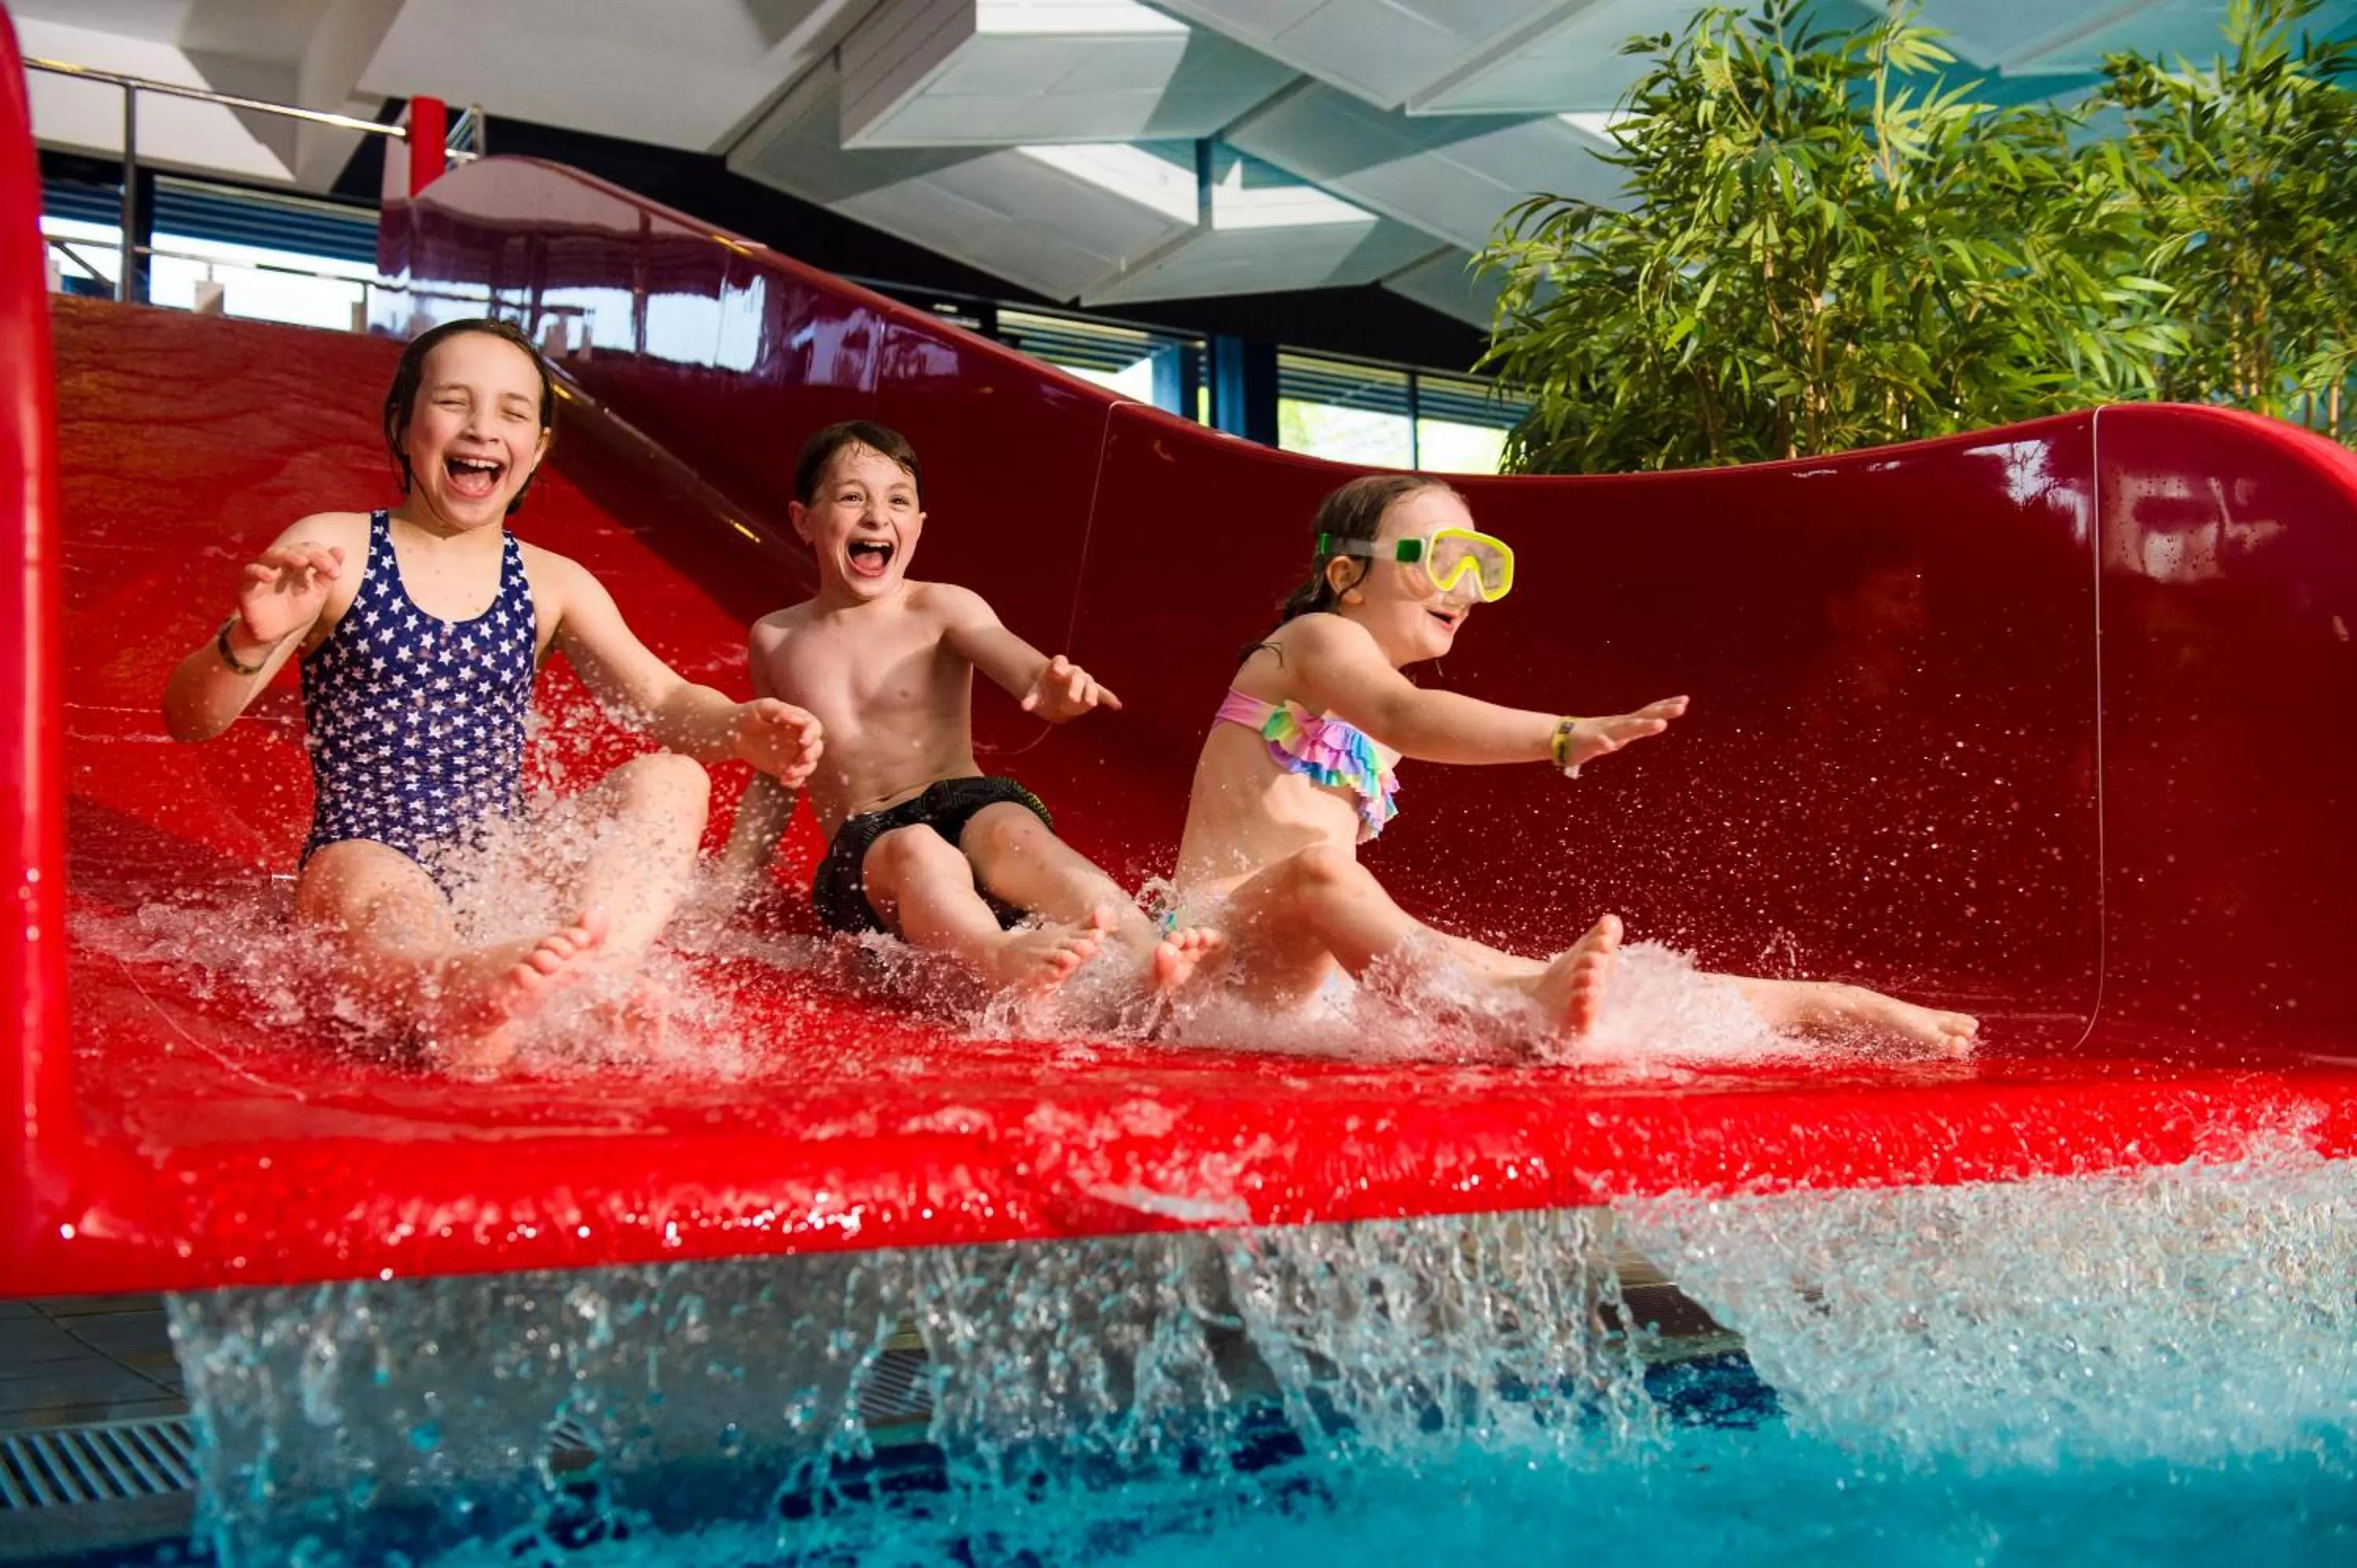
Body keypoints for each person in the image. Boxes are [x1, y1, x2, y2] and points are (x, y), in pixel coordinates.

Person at [161, 317, 823, 1067]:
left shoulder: (551, 582)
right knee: (383, 908)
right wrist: (246, 643)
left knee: (673, 779)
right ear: (403, 426)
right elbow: (191, 720)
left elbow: (664, 704)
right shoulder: (336, 552)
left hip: (497, 862)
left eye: (512, 412)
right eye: (453, 402)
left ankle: (591, 975)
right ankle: (453, 991)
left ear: (537, 448)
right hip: (369, 850)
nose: (483, 428)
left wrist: (738, 727)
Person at [1167, 472, 1981, 1054]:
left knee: (1495, 961)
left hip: (1289, 973)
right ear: (1346, 575)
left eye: (1481, 564)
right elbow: (1407, 715)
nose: (1467, 587)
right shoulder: (1315, 640)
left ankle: (1827, 1002)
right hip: (1216, 946)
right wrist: (1560, 735)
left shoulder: (1358, 699)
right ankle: (1510, 1018)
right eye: (1440, 558)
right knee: (1322, 873)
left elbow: (1395, 717)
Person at [721, 420, 1219, 1004]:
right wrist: (732, 883)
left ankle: (1148, 953)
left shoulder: (941, 607)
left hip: (964, 801)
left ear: (918, 528)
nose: (877, 516)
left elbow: (1029, 672)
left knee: (1016, 832)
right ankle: (997, 954)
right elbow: (778, 769)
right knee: (918, 850)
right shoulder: (776, 639)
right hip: (869, 846)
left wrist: (1056, 692)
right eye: (853, 496)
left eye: (898, 501)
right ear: (804, 519)